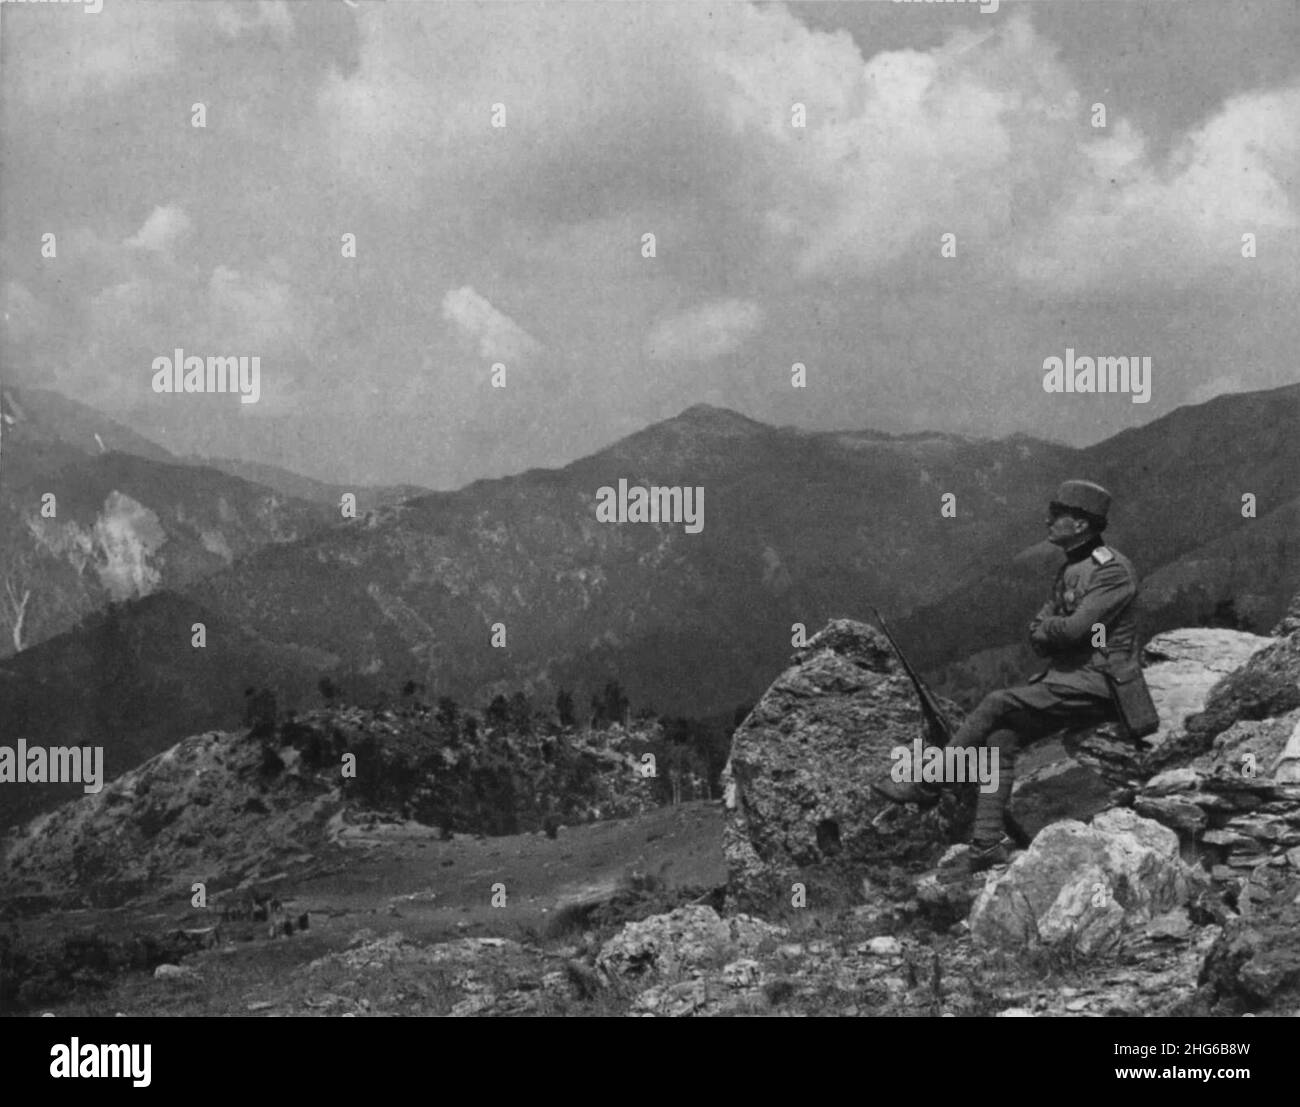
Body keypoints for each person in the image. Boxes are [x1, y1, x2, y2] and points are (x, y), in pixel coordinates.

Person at [871, 480, 1141, 873]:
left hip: (1103, 685)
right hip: (1067, 681)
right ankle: (985, 845)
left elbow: (1071, 630)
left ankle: (928, 783)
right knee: (1002, 736)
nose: (1048, 519)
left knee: (997, 702)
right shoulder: (1072, 567)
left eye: (1059, 513)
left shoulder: (1111, 571)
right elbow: (1039, 632)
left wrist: (1054, 629)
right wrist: (1053, 630)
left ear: (1081, 524)